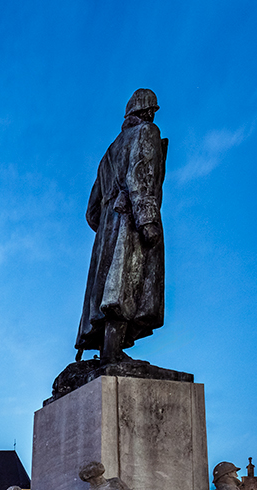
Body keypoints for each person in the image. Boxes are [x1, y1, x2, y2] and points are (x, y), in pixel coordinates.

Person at [76, 88, 167, 363]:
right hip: (130, 220)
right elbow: (139, 175)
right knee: (125, 286)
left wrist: (106, 225)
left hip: (108, 228)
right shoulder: (147, 133)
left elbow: (91, 212)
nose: (152, 115)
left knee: (110, 288)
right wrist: (147, 220)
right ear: (146, 112)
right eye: (150, 110)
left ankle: (110, 351)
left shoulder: (109, 152)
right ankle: (112, 353)